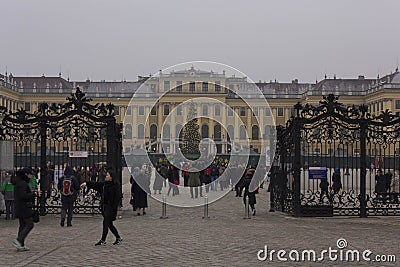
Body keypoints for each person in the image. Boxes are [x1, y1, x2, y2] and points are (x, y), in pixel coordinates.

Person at [80, 170, 122, 246]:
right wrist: (86, 183)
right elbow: (95, 185)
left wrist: (113, 209)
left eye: (107, 175)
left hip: (110, 208)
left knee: (106, 223)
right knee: (109, 224)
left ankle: (103, 240)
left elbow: (117, 199)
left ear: (111, 177)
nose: (106, 176)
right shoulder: (104, 185)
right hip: (105, 207)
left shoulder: (115, 186)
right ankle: (118, 238)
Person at [12, 167, 41, 251]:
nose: (31, 176)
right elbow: (23, 196)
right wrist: (34, 194)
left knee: (22, 225)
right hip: (24, 207)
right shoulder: (22, 183)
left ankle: (20, 244)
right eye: (30, 174)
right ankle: (19, 240)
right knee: (29, 224)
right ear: (26, 174)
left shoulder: (19, 182)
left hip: (20, 207)